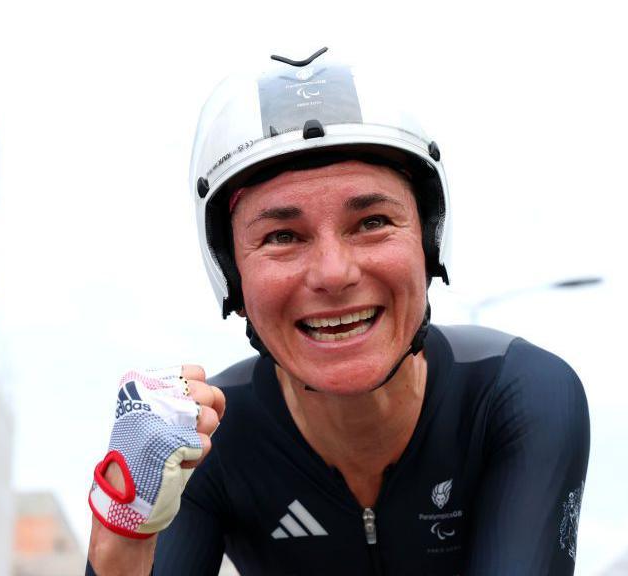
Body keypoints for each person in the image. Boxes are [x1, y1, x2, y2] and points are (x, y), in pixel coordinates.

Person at [86, 48, 590, 576]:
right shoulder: (205, 444)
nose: (333, 272)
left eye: (372, 222)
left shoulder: (520, 395)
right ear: (232, 276)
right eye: (282, 236)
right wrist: (125, 530)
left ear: (427, 244)